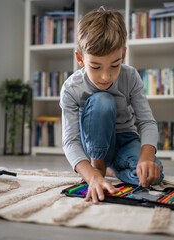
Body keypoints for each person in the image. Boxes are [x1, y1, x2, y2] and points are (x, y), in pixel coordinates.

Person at [59, 7, 164, 204]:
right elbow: (70, 142)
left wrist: (147, 157)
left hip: (125, 140)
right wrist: (92, 175)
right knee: (103, 100)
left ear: (123, 55)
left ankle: (112, 170)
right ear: (80, 59)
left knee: (153, 176)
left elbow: (147, 122)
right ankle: (99, 167)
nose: (106, 76)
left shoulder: (130, 76)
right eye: (96, 67)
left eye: (114, 65)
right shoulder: (71, 88)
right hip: (93, 146)